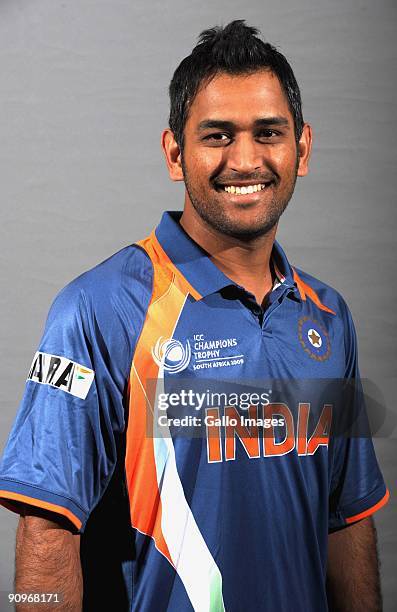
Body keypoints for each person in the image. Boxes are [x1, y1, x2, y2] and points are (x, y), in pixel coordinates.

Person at [0, 20, 389, 612]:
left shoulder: (329, 317)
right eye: (217, 136)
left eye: (268, 133)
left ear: (301, 148)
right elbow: (45, 533)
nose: (245, 159)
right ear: (175, 153)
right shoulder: (100, 309)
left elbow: (347, 520)